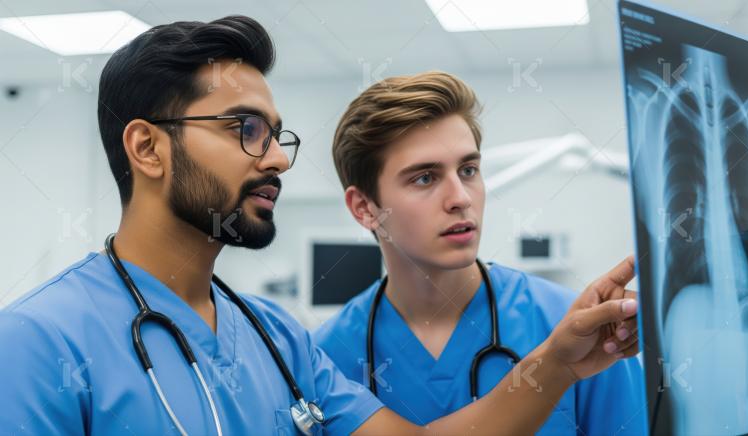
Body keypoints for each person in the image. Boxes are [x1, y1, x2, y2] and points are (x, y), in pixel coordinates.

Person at [0, 17, 641, 435]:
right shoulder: (36, 342)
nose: (277, 157)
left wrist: (556, 363)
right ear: (147, 149)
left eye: (277, 136)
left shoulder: (278, 339)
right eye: (245, 129)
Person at [314, 71, 646, 435]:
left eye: (468, 170)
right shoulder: (326, 356)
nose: (460, 198)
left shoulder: (578, 329)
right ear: (364, 208)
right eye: (424, 178)